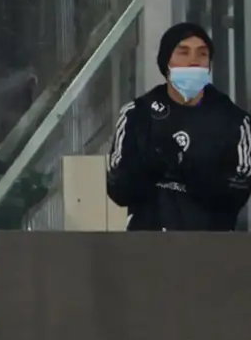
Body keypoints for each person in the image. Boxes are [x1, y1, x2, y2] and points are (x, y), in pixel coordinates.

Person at [107, 22, 251, 230]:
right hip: (147, 249)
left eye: (202, 54)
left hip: (212, 251)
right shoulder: (137, 114)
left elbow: (237, 193)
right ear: (166, 62)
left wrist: (189, 168)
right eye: (183, 53)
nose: (194, 61)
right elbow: (118, 189)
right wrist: (150, 165)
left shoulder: (234, 121)